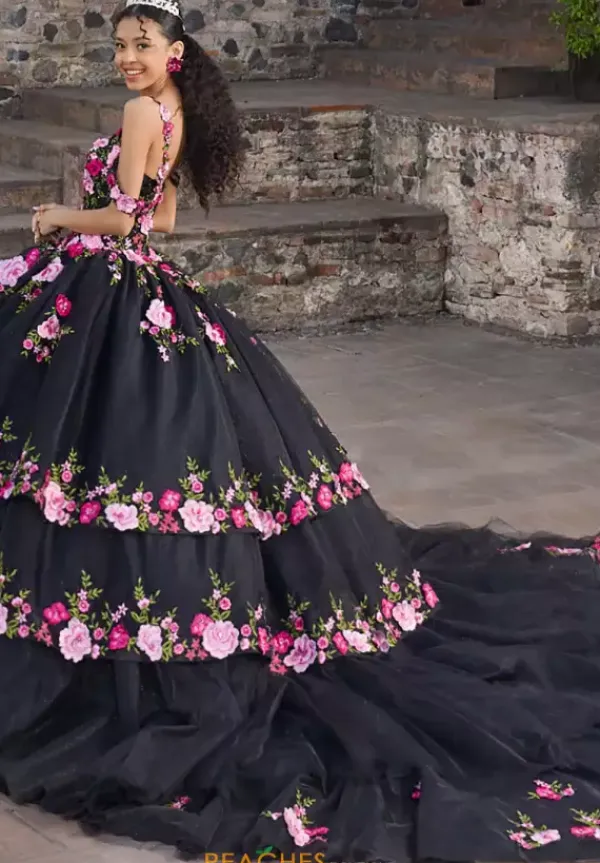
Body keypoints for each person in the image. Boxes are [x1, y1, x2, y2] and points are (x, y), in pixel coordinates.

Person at [1, 1, 600, 860]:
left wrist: (62, 217)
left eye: (142, 45)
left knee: (87, 449)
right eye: (120, 45)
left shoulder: (140, 112)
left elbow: (129, 222)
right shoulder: (173, 112)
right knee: (122, 459)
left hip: (111, 288)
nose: (127, 58)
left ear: (175, 51)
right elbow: (164, 222)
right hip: (135, 289)